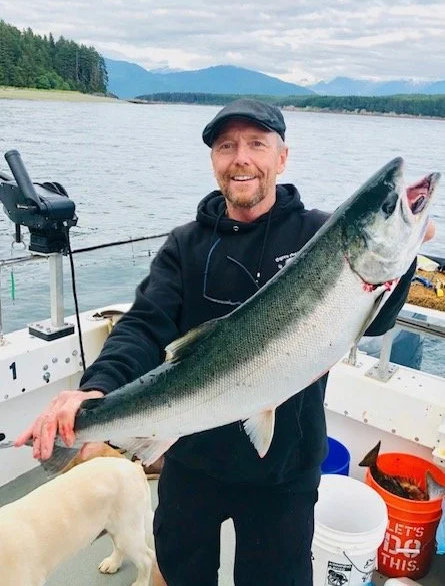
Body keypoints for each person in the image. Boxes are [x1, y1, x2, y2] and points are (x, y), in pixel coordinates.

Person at [16, 99, 433, 586]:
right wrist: (95, 390)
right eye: (227, 146)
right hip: (192, 462)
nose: (241, 157)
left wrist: (401, 263)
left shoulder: (321, 235)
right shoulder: (185, 245)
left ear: (282, 158)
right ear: (214, 160)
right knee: (176, 575)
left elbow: (376, 323)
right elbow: (144, 325)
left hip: (286, 471)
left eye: (257, 144)